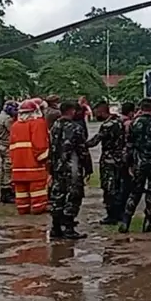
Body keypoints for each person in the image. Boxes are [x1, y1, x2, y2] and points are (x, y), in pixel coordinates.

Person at [118, 98, 151, 234]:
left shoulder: (134, 124)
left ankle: (125, 222)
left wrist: (128, 164)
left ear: (141, 107)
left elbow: (129, 145)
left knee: (134, 192)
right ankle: (147, 223)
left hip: (138, 163)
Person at [49, 101, 93, 239]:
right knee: (73, 196)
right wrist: (88, 168)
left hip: (57, 167)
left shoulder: (55, 126)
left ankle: (56, 227)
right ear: (72, 111)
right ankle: (68, 228)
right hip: (72, 167)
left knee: (58, 195)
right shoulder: (75, 128)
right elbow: (82, 150)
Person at [86, 101, 127, 225]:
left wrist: (81, 144)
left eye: (96, 112)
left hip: (109, 160)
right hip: (120, 159)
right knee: (119, 187)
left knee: (109, 188)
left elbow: (95, 140)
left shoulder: (107, 125)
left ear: (101, 111)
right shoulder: (119, 122)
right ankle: (120, 213)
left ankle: (112, 215)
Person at [9, 99, 50, 215]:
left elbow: (11, 147)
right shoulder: (38, 123)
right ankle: (38, 207)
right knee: (37, 189)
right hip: (34, 165)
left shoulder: (15, 125)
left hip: (18, 165)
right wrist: (45, 159)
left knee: (21, 190)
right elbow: (40, 144)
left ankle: (23, 207)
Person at [0, 100, 18, 204]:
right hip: (7, 145)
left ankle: (4, 190)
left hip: (2, 145)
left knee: (5, 169)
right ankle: (7, 192)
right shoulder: (7, 119)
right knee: (8, 168)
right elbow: (14, 132)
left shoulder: (0, 117)